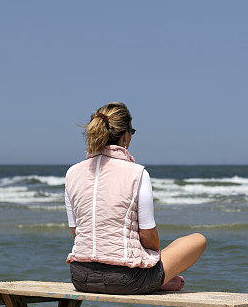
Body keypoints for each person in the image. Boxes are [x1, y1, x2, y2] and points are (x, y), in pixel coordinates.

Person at [64, 102, 206, 294]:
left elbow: (78, 232)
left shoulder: (72, 173)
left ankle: (157, 278)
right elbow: (149, 239)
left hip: (81, 277)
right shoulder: (137, 174)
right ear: (125, 135)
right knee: (198, 240)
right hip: (127, 279)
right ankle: (157, 277)